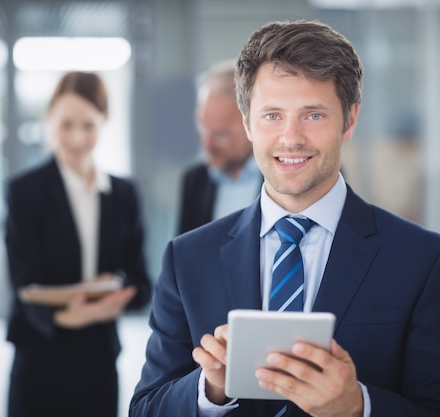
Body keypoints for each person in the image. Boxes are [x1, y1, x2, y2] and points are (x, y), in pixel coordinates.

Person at [130, 20, 440, 417]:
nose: (291, 138)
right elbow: (144, 409)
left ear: (350, 120)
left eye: (313, 116)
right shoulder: (187, 259)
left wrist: (357, 406)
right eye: (272, 115)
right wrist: (210, 390)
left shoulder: (421, 259)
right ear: (247, 123)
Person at [5, 71, 152, 417]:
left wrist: (114, 293)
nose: (77, 137)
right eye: (66, 124)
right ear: (49, 120)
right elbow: (22, 283)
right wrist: (69, 315)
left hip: (98, 357)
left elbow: (141, 283)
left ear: (104, 122)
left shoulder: (123, 194)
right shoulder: (25, 190)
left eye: (88, 125)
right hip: (39, 355)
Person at [178, 60, 261, 235]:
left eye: (221, 135)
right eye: (203, 127)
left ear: (253, 125)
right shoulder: (195, 182)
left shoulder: (283, 180)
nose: (207, 144)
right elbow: (185, 257)